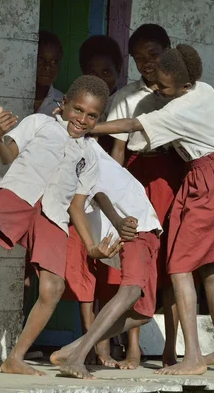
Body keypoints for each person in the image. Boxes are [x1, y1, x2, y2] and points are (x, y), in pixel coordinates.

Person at [0, 76, 121, 376]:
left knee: (53, 287)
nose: (82, 119)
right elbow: (9, 155)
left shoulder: (90, 156)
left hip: (53, 213)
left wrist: (91, 247)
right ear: (64, 105)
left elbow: (76, 205)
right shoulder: (40, 123)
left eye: (91, 116)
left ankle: (15, 358)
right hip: (21, 190)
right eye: (78, 110)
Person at [91, 44, 214, 376]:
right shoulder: (205, 90)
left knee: (180, 267)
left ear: (183, 83)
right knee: (209, 268)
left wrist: (88, 127)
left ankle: (192, 357)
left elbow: (135, 125)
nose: (160, 91)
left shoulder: (178, 108)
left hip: (208, 179)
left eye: (165, 87)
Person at [50, 139, 163, 379]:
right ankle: (77, 357)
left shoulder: (90, 147)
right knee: (131, 291)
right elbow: (98, 194)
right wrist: (118, 221)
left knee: (144, 312)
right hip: (134, 227)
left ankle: (70, 350)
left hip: (148, 228)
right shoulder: (78, 155)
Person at [105, 23, 183, 368]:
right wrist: (115, 191)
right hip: (137, 176)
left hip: (174, 176)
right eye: (139, 59)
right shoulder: (126, 97)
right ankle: (134, 348)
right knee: (138, 257)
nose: (147, 63)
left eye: (153, 54)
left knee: (176, 261)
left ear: (168, 51)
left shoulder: (183, 94)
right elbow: (118, 151)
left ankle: (170, 350)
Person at [61, 34, 128, 367]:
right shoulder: (77, 111)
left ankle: (100, 342)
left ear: (118, 71)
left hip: (109, 197)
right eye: (95, 72)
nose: (103, 79)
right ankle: (92, 345)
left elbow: (117, 157)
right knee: (84, 272)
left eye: (109, 71)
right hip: (80, 198)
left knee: (110, 273)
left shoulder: (120, 108)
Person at [35, 32, 64, 115]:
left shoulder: (61, 103)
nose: (47, 66)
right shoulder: (10, 96)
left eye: (54, 62)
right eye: (40, 59)